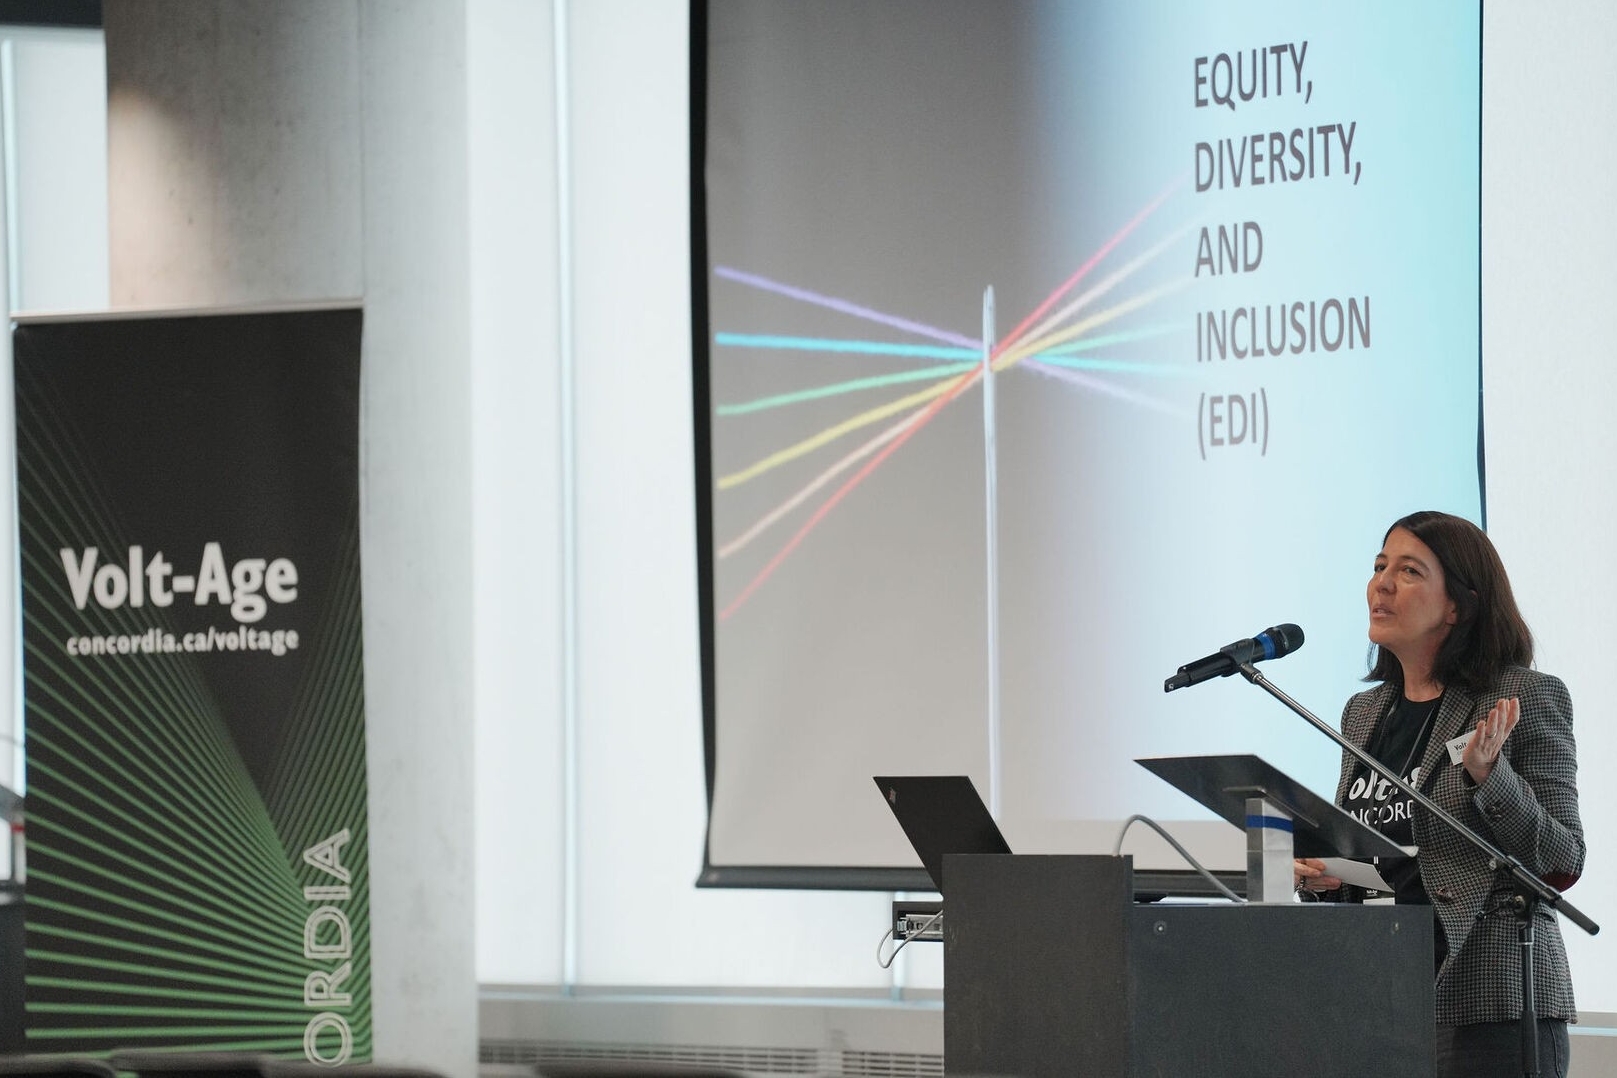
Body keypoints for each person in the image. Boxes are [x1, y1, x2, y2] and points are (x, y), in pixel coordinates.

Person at [1294, 510, 1585, 1077]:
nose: (1381, 584)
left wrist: (1490, 777)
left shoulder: (1524, 696)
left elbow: (1563, 859)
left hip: (1489, 1007)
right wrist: (1327, 875)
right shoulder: (1364, 713)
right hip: (1381, 1001)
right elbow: (1381, 858)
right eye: (1379, 566)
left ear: (1458, 606)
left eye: (1408, 571)